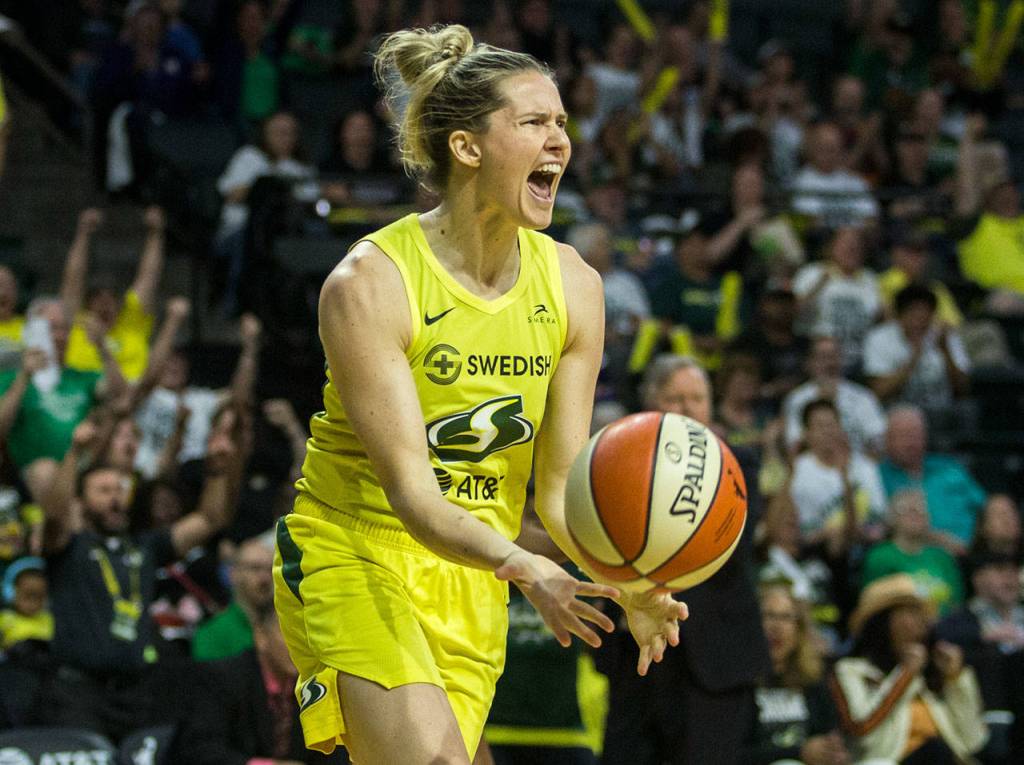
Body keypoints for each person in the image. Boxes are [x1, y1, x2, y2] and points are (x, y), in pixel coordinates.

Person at [271, 25, 684, 765]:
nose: (559, 141)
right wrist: (528, 566)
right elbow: (414, 496)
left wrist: (626, 581)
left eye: (562, 123)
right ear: (467, 147)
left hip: (474, 575)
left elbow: (557, 491)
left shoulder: (575, 287)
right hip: (354, 553)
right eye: (533, 122)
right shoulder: (370, 283)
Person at [601, 354, 770, 765]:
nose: (688, 408)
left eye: (698, 398)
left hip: (716, 657)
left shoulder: (737, 465)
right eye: (675, 398)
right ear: (650, 404)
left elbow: (730, 546)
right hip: (637, 651)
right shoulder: (617, 462)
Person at [36, 415, 242, 742]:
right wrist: (74, 453)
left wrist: (217, 470)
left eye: (120, 489)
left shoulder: (144, 547)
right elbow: (54, 516)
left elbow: (208, 520)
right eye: (103, 491)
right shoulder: (69, 548)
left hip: (135, 693)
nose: (115, 498)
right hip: (77, 693)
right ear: (82, 501)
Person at [831, 574, 988, 764]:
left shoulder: (928, 676)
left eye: (922, 614)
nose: (922, 622)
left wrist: (955, 680)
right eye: (910, 612)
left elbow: (972, 741)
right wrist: (904, 675)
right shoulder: (851, 671)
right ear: (882, 623)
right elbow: (863, 731)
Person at [176, 607, 349, 764]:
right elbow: (200, 750)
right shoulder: (222, 678)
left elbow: (334, 753)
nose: (301, 646)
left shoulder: (316, 684)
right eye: (290, 633)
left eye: (307, 635)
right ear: (261, 637)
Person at [0, 297, 127, 503]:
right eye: (52, 328)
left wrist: (102, 347)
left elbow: (122, 399)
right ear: (33, 331)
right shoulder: (12, 378)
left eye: (65, 329)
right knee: (46, 470)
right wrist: (24, 377)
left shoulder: (81, 377)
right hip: (32, 474)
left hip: (82, 467)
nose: (60, 336)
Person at [740, 583, 849, 765]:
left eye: (786, 617)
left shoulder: (814, 681)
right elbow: (730, 754)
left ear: (799, 630)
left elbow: (829, 733)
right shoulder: (739, 685)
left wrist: (834, 753)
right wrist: (799, 753)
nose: (777, 626)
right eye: (768, 616)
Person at [60, 206, 167, 382]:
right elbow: (73, 279)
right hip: (85, 393)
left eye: (111, 299)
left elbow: (149, 276)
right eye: (97, 299)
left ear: (120, 303)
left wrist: (155, 234)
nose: (105, 305)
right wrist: (83, 233)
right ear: (87, 304)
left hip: (131, 392)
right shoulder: (77, 323)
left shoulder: (132, 321)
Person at [879, 405, 986, 555]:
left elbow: (985, 507)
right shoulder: (878, 476)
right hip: (913, 557)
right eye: (903, 435)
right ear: (886, 439)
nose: (911, 442)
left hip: (973, 555)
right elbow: (884, 527)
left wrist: (978, 544)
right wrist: (940, 540)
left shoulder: (949, 467)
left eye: (915, 434)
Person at [789, 398, 887, 555]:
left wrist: (845, 476)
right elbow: (801, 533)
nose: (828, 431)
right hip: (818, 553)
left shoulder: (865, 467)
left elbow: (879, 522)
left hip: (866, 549)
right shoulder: (798, 471)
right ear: (806, 433)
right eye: (820, 426)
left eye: (832, 424)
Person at [863, 284, 970, 416]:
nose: (919, 323)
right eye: (913, 316)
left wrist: (945, 351)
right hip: (898, 415)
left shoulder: (944, 337)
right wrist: (913, 359)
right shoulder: (879, 338)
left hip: (941, 413)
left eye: (925, 317)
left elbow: (963, 388)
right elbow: (879, 392)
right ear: (899, 316)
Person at [862, 489, 965, 617]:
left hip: (944, 625)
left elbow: (956, 604)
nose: (916, 514)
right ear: (892, 518)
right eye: (906, 509)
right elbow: (872, 602)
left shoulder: (943, 558)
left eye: (921, 509)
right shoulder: (880, 557)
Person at [782, 335, 886, 455]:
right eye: (823, 357)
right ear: (810, 363)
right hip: (814, 462)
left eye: (834, 356)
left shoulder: (862, 397)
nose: (830, 364)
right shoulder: (797, 399)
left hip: (858, 461)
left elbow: (878, 439)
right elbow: (794, 444)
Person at [192, 532, 275, 662]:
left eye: (271, 569)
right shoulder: (211, 634)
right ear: (234, 574)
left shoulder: (288, 627)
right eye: (255, 568)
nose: (265, 578)